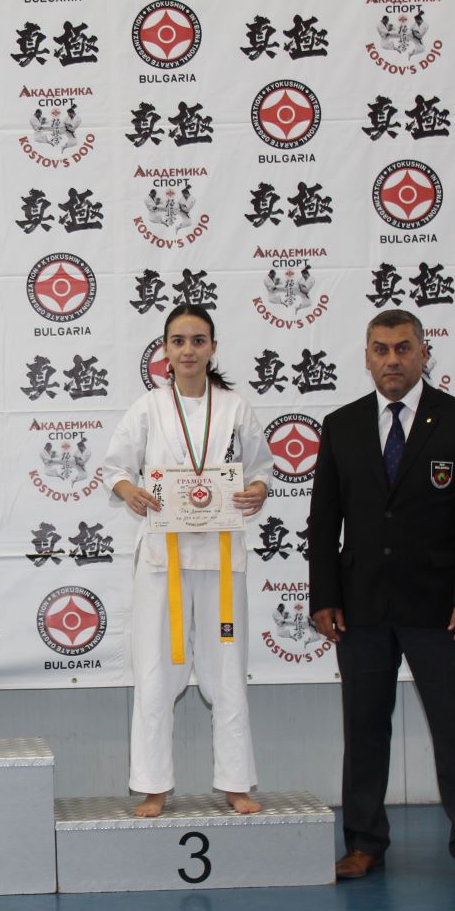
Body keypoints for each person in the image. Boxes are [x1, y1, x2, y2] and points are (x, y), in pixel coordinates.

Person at [309, 309, 455, 888]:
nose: (392, 359)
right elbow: (324, 521)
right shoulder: (341, 425)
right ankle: (364, 843)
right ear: (367, 357)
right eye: (381, 349)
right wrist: (324, 597)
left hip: (441, 607)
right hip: (361, 606)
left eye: (402, 348)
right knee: (364, 728)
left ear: (423, 353)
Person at [103, 305, 272, 818]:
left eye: (198, 340)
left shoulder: (236, 408)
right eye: (178, 341)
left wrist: (257, 491)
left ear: (213, 348)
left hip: (221, 556)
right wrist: (130, 492)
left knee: (227, 671)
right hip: (163, 558)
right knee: (156, 672)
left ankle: (236, 783)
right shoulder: (148, 408)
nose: (189, 350)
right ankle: (153, 786)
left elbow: (261, 469)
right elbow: (115, 468)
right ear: (165, 350)